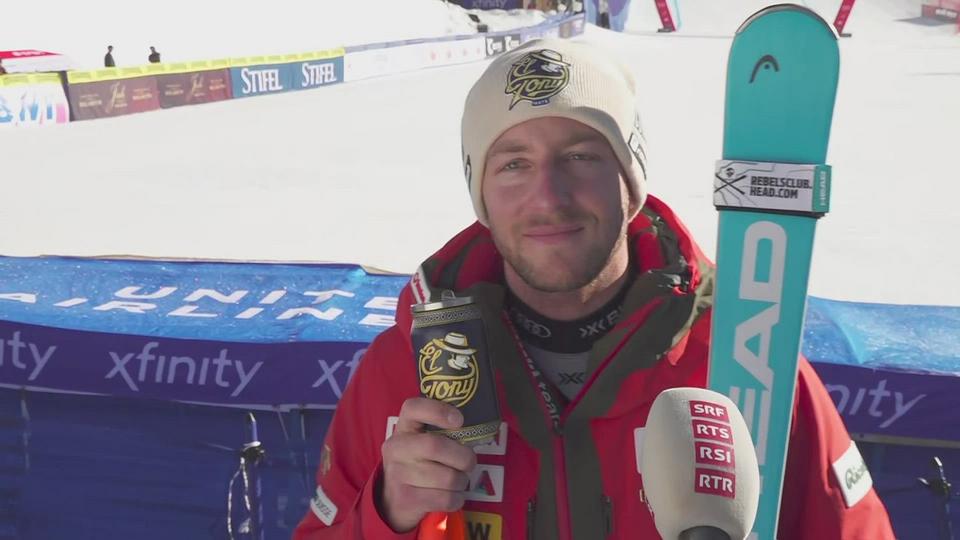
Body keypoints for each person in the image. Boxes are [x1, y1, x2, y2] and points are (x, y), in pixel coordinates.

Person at [293, 38, 896, 539]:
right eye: (513, 164)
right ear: (481, 193)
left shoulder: (746, 359)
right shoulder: (399, 372)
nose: (549, 196)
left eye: (580, 156)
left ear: (629, 181)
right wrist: (385, 516)